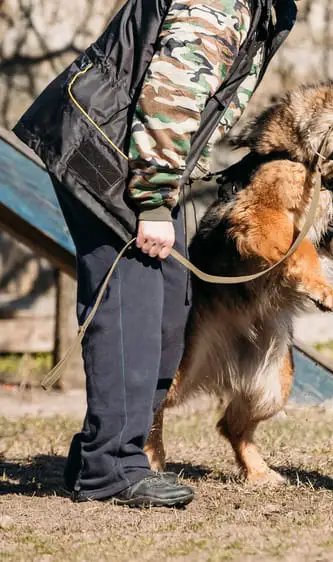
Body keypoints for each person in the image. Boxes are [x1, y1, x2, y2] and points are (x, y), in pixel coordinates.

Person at [13, 0, 297, 508]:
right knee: (132, 306)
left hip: (131, 152)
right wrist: (154, 200)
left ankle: (101, 453)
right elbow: (172, 97)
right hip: (105, 147)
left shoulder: (261, 8)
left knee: (170, 305)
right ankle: (113, 470)